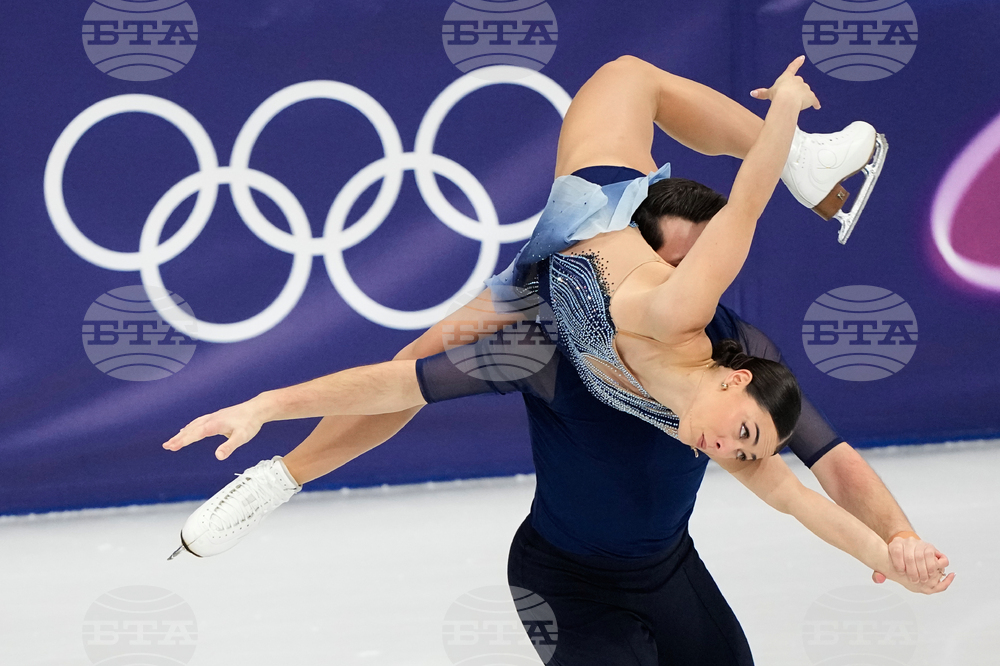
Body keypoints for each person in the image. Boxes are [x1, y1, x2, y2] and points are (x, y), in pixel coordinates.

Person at [163, 56, 950, 664]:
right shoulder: (685, 308)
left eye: (744, 447)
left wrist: (896, 545)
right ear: (731, 376)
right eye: (743, 434)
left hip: (542, 293)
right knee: (628, 77)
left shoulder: (725, 406)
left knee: (417, 370)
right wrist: (780, 120)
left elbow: (815, 479)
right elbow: (741, 209)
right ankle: (279, 479)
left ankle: (804, 162)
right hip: (591, 219)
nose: (734, 448)